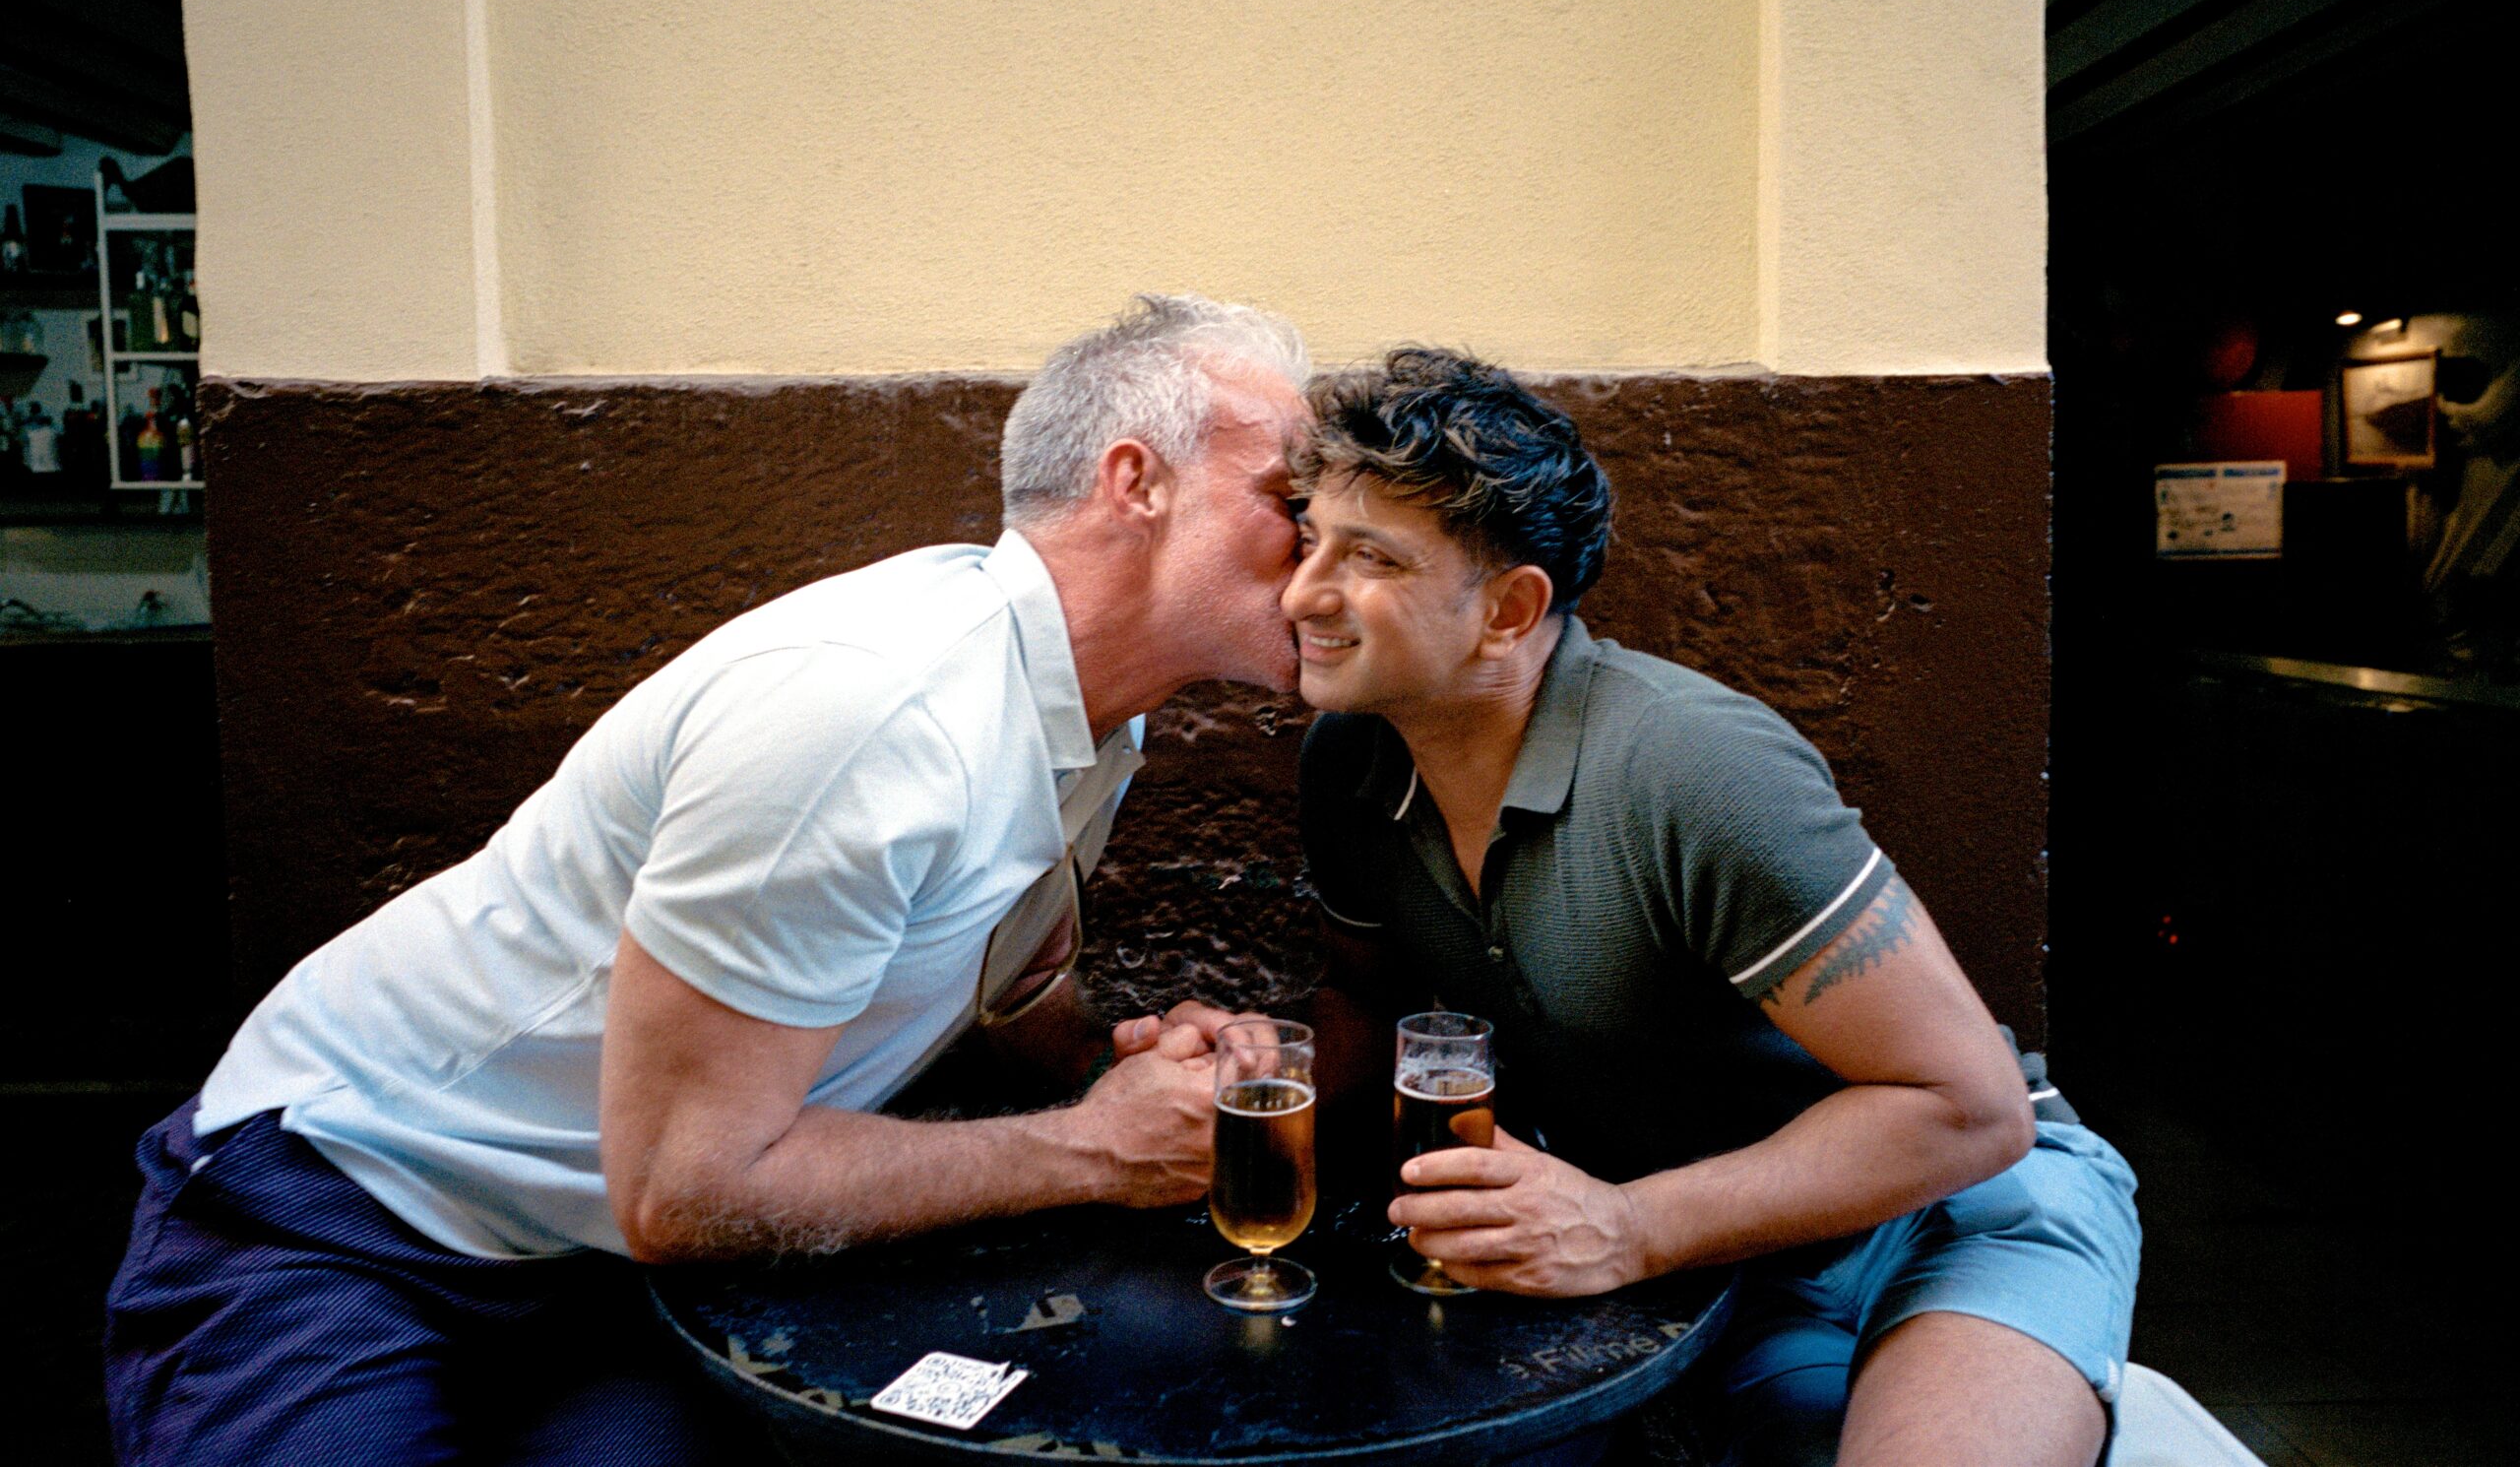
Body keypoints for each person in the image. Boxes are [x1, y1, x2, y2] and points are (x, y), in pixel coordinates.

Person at [103, 293, 1310, 1466]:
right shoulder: (878, 716)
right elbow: (691, 1187)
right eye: (1287, 496)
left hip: (618, 1268)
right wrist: (1099, 1149)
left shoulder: (1090, 711)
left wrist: (1124, 1066)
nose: (1324, 544)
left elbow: (993, 983)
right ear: (1134, 481)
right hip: (354, 1211)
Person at [1287, 348, 2139, 1467]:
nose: (1303, 592)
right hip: (1733, 1258)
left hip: (1955, 1216)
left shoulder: (1686, 766)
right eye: (1308, 541)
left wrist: (1629, 1228)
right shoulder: (1347, 763)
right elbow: (1364, 1006)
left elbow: (1972, 1112)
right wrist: (1250, 1071)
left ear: (1508, 609)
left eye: (1370, 558)